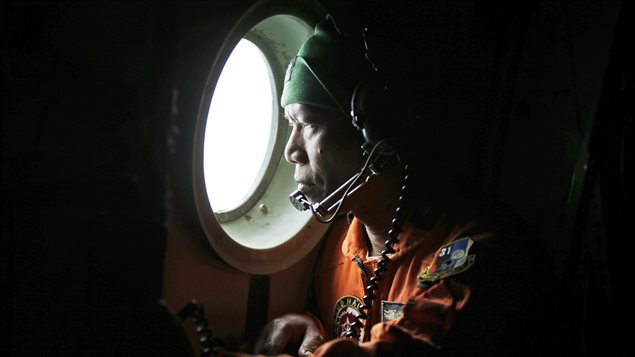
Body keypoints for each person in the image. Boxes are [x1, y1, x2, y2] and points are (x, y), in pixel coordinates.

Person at [245, 14, 561, 357]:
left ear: (376, 133)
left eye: (308, 123)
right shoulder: (340, 247)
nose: (291, 151)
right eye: (290, 123)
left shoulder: (481, 255)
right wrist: (312, 327)